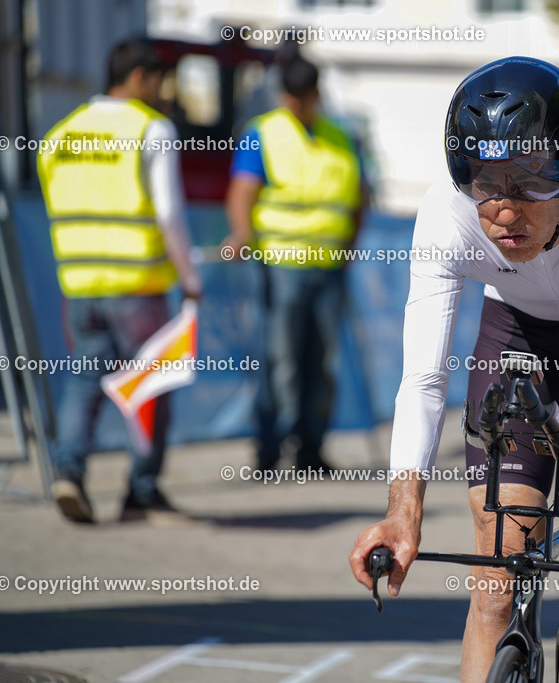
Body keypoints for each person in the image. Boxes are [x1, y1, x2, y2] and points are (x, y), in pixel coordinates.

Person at [349, 57, 559, 682]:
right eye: (486, 183)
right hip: (520, 327)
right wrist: (402, 511)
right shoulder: (445, 212)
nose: (505, 211)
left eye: (529, 185)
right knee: (497, 575)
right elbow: (423, 380)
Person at [37, 37, 201, 524]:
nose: (160, 92)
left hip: (80, 284)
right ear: (138, 77)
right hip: (138, 286)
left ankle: (69, 472)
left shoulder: (61, 135)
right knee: (151, 384)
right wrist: (190, 277)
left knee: (85, 383)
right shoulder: (152, 129)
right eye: (157, 81)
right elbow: (169, 214)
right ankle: (141, 489)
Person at [225, 48, 367, 473]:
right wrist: (242, 234)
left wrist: (348, 248)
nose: (293, 104)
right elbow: (242, 192)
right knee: (279, 360)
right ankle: (269, 450)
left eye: (300, 96)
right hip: (280, 264)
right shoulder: (262, 133)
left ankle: (310, 451)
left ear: (315, 94)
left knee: (321, 363)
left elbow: (358, 199)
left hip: (329, 266)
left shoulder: (341, 137)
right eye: (288, 95)